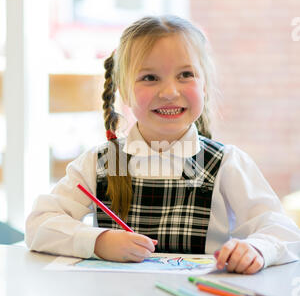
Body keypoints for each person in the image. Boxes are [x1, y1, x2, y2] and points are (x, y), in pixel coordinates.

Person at [25, 15, 300, 274]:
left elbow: (282, 230)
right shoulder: (102, 163)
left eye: (185, 75)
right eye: (150, 77)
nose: (170, 92)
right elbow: (38, 224)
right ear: (124, 91)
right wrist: (99, 241)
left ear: (204, 86)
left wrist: (255, 249)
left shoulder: (226, 163)